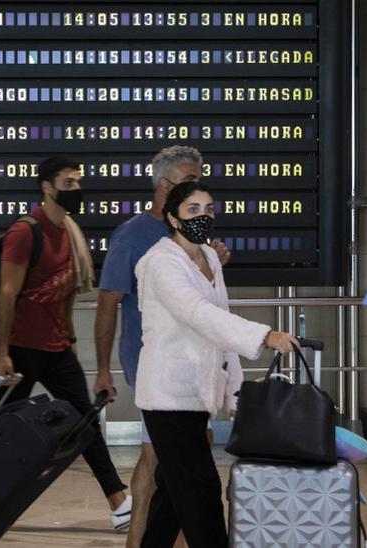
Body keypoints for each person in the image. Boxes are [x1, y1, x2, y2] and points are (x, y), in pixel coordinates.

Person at [134, 181, 298, 548]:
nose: (203, 217)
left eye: (209, 209)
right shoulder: (160, 263)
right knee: (201, 489)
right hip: (167, 396)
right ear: (172, 217)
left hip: (197, 395)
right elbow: (199, 314)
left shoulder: (208, 259)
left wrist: (236, 392)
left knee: (174, 499)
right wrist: (264, 335)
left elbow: (220, 324)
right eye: (193, 210)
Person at [94, 145, 230, 546]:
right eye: (190, 180)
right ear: (165, 185)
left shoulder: (194, 233)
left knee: (177, 460)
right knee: (167, 458)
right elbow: (108, 301)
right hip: (156, 367)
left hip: (192, 365)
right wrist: (104, 368)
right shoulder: (134, 236)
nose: (199, 189)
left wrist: (213, 261)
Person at [0, 157, 132, 530]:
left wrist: (69, 338)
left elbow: (64, 296)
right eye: (68, 183)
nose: (76, 190)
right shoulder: (26, 232)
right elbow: (8, 294)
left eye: (77, 182)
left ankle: (118, 500)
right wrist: (3, 352)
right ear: (46, 187)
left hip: (56, 349)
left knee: (84, 423)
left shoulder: (69, 231)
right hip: (22, 349)